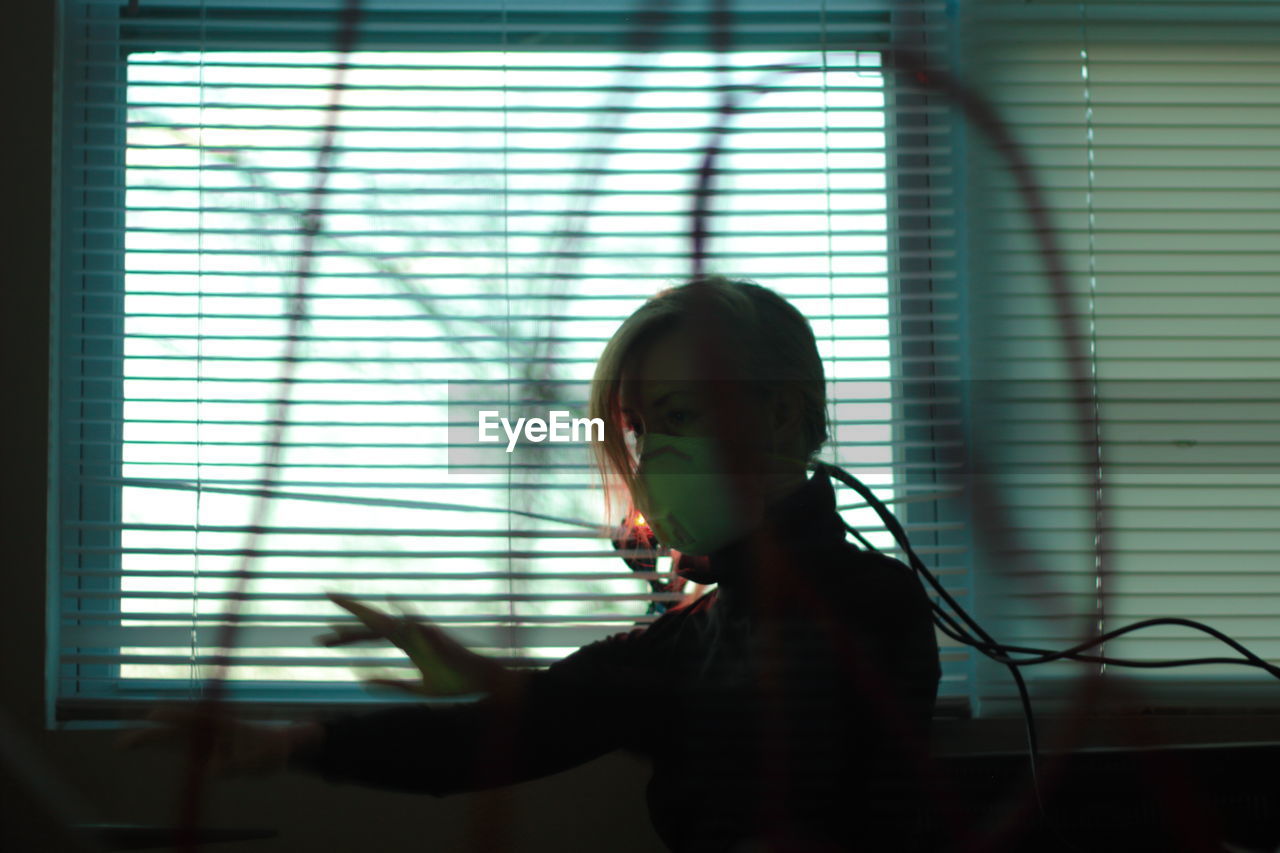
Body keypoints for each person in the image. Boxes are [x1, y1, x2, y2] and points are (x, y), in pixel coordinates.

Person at [124, 276, 942, 852]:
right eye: (642, 431)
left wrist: (524, 685)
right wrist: (293, 740)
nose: (655, 456)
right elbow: (502, 736)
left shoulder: (872, 601)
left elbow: (774, 735)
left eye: (682, 415)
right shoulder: (689, 633)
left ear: (784, 413)